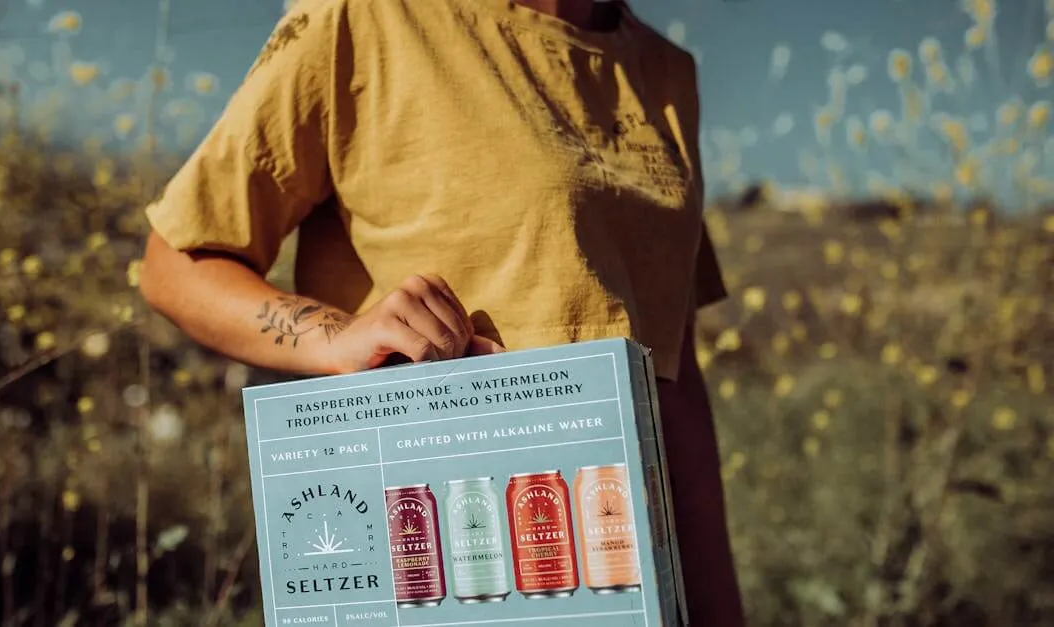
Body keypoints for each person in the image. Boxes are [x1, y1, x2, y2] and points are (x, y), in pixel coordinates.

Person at [138, 0, 745, 623]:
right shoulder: (362, 18)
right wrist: (335, 337)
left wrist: (718, 607)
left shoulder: (667, 72)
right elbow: (175, 264)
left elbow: (674, 379)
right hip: (430, 541)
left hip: (617, 555)